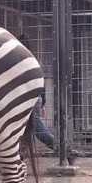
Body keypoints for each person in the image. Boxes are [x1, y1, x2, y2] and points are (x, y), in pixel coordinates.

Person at [19, 34, 78, 165]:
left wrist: (41, 102)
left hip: (30, 99)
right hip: (34, 98)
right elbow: (42, 82)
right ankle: (18, 157)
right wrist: (43, 102)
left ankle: (67, 152)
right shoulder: (32, 60)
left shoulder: (22, 60)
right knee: (22, 130)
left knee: (39, 131)